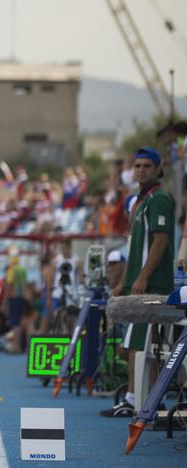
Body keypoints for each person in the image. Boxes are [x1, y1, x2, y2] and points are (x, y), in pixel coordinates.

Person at [102, 147, 174, 418]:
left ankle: (145, 401)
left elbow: (161, 241)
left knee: (145, 347)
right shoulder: (142, 201)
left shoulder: (159, 199)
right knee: (136, 346)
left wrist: (142, 277)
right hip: (138, 284)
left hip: (152, 285)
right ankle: (138, 399)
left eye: (147, 166)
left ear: (158, 169)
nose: (141, 170)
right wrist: (126, 280)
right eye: (138, 166)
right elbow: (135, 248)